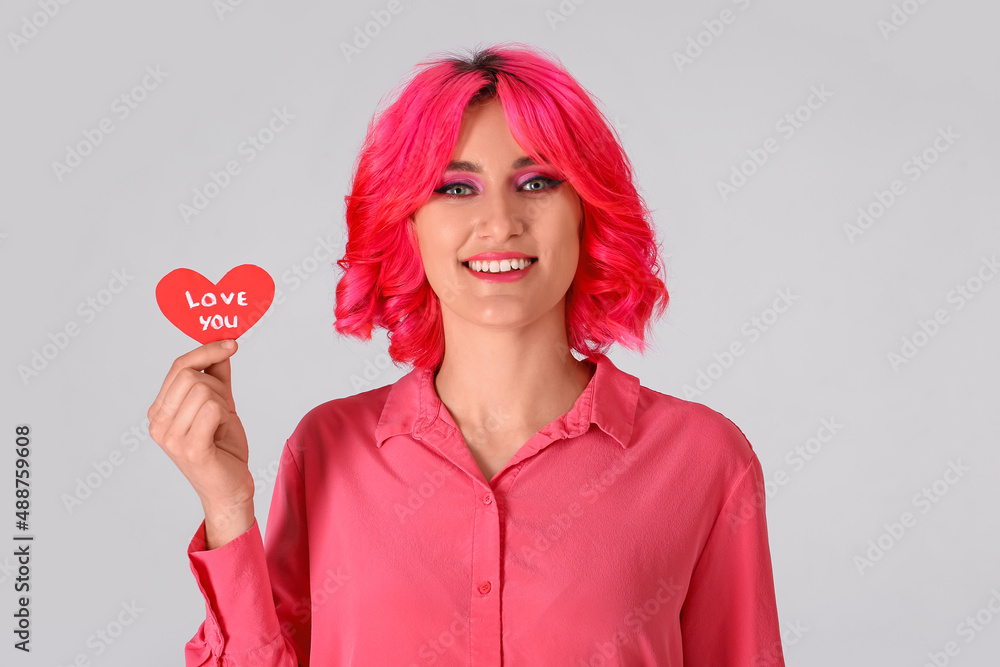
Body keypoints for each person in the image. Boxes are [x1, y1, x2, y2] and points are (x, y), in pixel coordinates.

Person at [148, 42, 786, 666]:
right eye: (456, 189)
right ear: (408, 223)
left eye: (535, 182)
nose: (500, 222)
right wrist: (227, 506)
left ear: (588, 210)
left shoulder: (702, 460)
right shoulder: (327, 451)